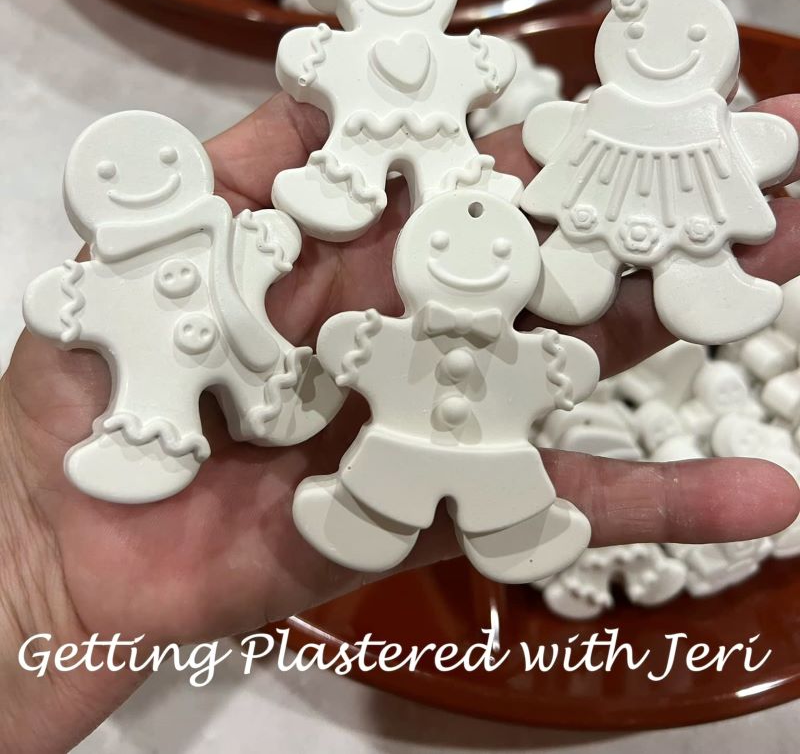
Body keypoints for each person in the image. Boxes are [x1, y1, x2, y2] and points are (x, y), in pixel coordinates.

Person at [2, 89, 800, 753]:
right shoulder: (149, 262)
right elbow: (354, 340)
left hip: (482, 447)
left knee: (507, 490)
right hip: (273, 399)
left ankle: (520, 527)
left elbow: (544, 369)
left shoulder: (512, 340)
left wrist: (554, 367)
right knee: (306, 459)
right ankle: (269, 484)